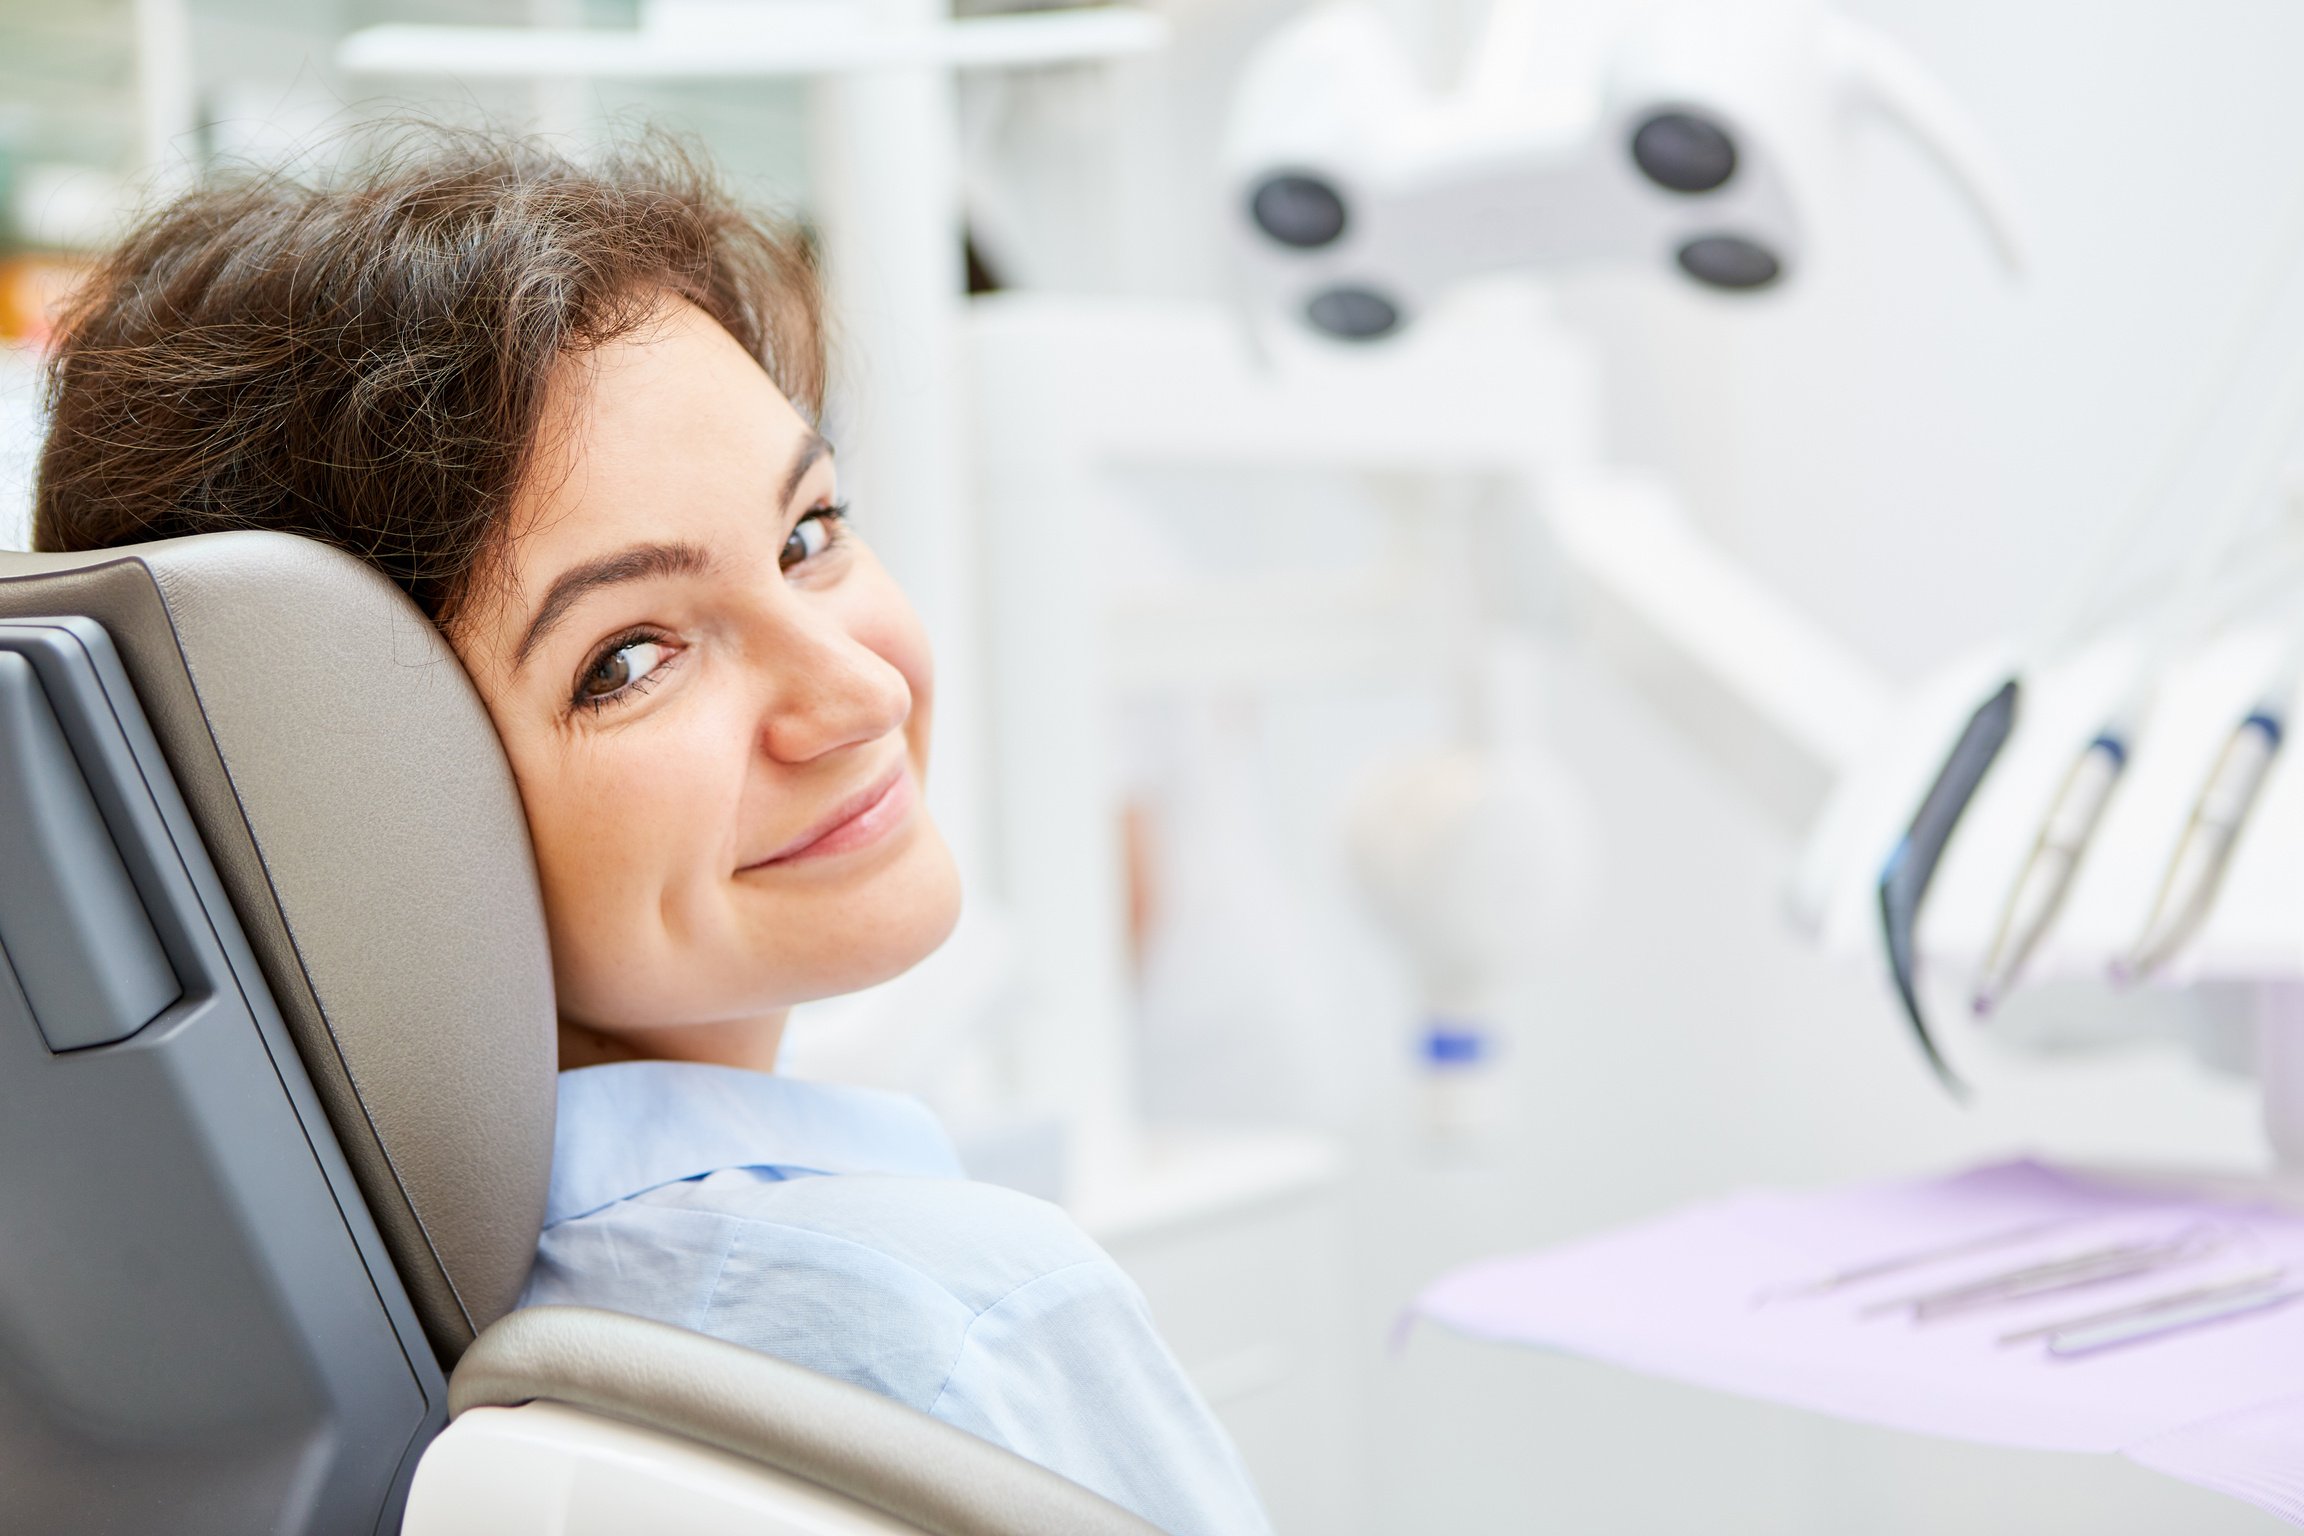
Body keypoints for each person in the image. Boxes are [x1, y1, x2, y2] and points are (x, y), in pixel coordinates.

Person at [31, 128, 1269, 1536]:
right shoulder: (940, 1326)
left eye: (809, 532)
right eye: (628, 658)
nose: (858, 692)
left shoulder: (206, 1330)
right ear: (349, 813)